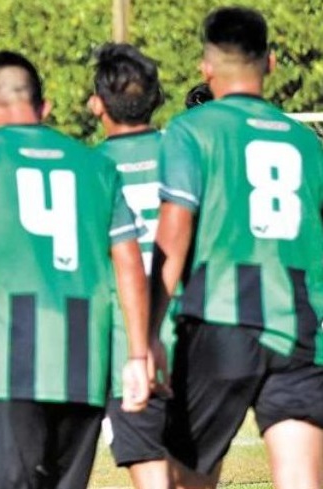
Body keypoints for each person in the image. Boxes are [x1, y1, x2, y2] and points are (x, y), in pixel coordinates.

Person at [0, 50, 151, 489]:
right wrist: (136, 354)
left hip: (7, 362)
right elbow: (129, 263)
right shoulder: (97, 165)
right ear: (43, 107)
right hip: (85, 363)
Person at [151, 7, 323, 489]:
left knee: (190, 479)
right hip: (298, 329)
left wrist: (148, 332)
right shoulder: (306, 142)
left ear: (207, 66)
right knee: (301, 479)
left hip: (219, 320)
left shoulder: (192, 130)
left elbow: (174, 233)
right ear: (270, 63)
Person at [89, 43, 171, 489]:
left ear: (97, 103)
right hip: (198, 337)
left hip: (125, 344)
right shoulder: (188, 152)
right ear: (157, 98)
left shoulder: (88, 169)